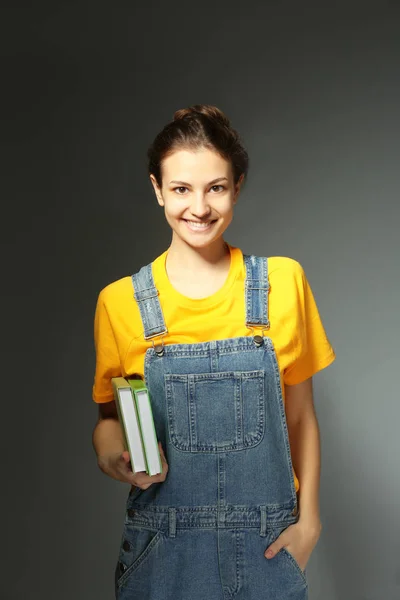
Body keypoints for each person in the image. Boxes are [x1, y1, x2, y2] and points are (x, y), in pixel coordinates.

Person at [91, 104, 336, 600]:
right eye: (181, 188)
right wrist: (114, 457)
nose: (199, 207)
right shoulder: (120, 302)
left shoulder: (282, 283)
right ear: (157, 189)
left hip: (267, 546)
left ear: (237, 187)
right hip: (161, 551)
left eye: (216, 188)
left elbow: (302, 418)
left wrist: (309, 522)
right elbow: (107, 419)